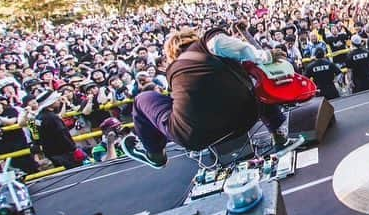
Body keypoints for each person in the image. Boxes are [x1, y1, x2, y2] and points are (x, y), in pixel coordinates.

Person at [121, 27, 290, 169]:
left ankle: (155, 154)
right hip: (246, 118)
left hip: (195, 136)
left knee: (142, 99)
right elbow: (228, 45)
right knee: (252, 75)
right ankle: (278, 131)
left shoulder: (177, 68)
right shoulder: (207, 43)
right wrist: (265, 55)